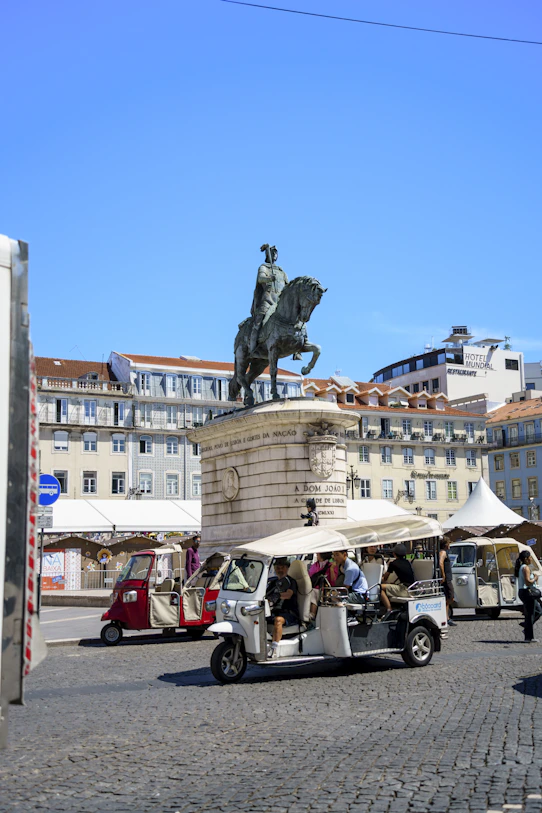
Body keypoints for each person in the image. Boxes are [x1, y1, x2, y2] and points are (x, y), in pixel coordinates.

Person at [249, 244, 289, 355]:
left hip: (280, 303)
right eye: (273, 253)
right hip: (268, 300)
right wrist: (269, 278)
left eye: (276, 253)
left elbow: (287, 285)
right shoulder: (264, 267)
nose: (275, 255)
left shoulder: (281, 271)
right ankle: (253, 349)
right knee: (258, 323)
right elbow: (260, 278)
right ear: (268, 255)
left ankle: (297, 346)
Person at [266, 558, 299, 657]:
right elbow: (266, 595)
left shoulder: (291, 581)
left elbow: (288, 594)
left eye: (282, 568)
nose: (280, 570)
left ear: (287, 568)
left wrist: (277, 596)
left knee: (278, 620)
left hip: (289, 613)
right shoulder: (273, 583)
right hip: (275, 611)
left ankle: (274, 649)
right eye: (277, 567)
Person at [380, 544, 415, 614]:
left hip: (404, 590)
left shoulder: (393, 564)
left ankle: (389, 609)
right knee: (388, 585)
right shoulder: (407, 562)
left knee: (379, 587)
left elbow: (384, 578)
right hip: (412, 589)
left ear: (394, 553)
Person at [515, 549, 540, 643]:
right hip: (527, 592)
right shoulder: (525, 568)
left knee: (538, 611)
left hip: (526, 592)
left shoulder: (523, 567)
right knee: (530, 614)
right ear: (526, 559)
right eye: (530, 558)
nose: (531, 559)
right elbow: (528, 582)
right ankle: (528, 637)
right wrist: (535, 578)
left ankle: (526, 627)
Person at [308, 552, 333, 619]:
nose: (316, 555)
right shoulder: (315, 565)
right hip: (315, 587)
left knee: (313, 592)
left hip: (325, 588)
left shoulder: (331, 566)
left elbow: (331, 580)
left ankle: (312, 613)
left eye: (318, 554)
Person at [439, 539, 456, 626]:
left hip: (448, 579)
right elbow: (441, 563)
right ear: (445, 544)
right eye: (448, 543)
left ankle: (447, 617)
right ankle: (445, 617)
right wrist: (443, 575)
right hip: (446, 579)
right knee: (451, 597)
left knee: (448, 598)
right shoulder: (443, 553)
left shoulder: (445, 552)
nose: (449, 545)